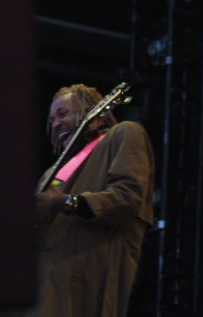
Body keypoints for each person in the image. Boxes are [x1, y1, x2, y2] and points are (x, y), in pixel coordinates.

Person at [30, 83, 154, 317]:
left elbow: (127, 199)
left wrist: (65, 203)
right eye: (52, 119)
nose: (55, 124)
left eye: (63, 113)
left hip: (82, 283)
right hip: (42, 285)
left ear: (92, 111)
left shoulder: (124, 133)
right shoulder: (52, 173)